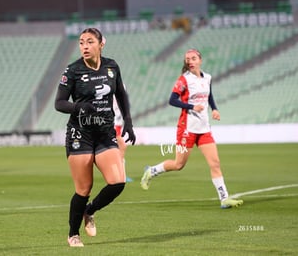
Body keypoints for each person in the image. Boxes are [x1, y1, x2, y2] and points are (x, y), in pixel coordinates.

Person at [55, 27, 136, 247]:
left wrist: (128, 121)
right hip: (79, 133)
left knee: (117, 182)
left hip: (105, 132)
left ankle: (90, 211)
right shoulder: (72, 71)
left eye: (90, 42)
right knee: (84, 188)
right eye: (81, 43)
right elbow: (59, 103)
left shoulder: (112, 66)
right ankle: (73, 234)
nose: (85, 47)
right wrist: (79, 107)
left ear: (101, 43)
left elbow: (120, 94)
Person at [140, 49, 243, 209]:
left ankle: (224, 198)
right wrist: (192, 106)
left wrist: (214, 109)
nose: (190, 61)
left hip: (204, 129)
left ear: (200, 60)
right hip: (186, 128)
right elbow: (172, 100)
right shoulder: (184, 80)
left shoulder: (207, 77)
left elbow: (209, 96)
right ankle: (152, 171)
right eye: (188, 59)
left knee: (215, 163)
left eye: (193, 58)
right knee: (178, 164)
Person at [113, 96, 133, 182]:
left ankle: (119, 174)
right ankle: (120, 175)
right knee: (122, 146)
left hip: (118, 123)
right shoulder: (111, 84)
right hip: (113, 122)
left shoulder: (120, 85)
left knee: (119, 149)